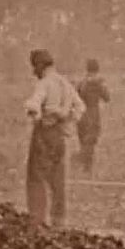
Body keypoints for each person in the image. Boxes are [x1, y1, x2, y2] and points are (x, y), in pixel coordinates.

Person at [23, 49, 84, 229]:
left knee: (36, 177)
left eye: (35, 67)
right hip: (60, 136)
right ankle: (59, 220)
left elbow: (34, 104)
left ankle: (37, 220)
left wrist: (38, 116)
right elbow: (80, 107)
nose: (34, 72)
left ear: (41, 66)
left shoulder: (45, 83)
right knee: (58, 177)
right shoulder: (65, 83)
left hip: (45, 133)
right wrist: (66, 118)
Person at [75, 58, 111, 174]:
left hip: (81, 114)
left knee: (83, 140)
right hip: (93, 113)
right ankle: (83, 164)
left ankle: (85, 167)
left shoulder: (81, 82)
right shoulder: (99, 83)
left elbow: (76, 97)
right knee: (90, 141)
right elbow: (107, 98)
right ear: (97, 69)